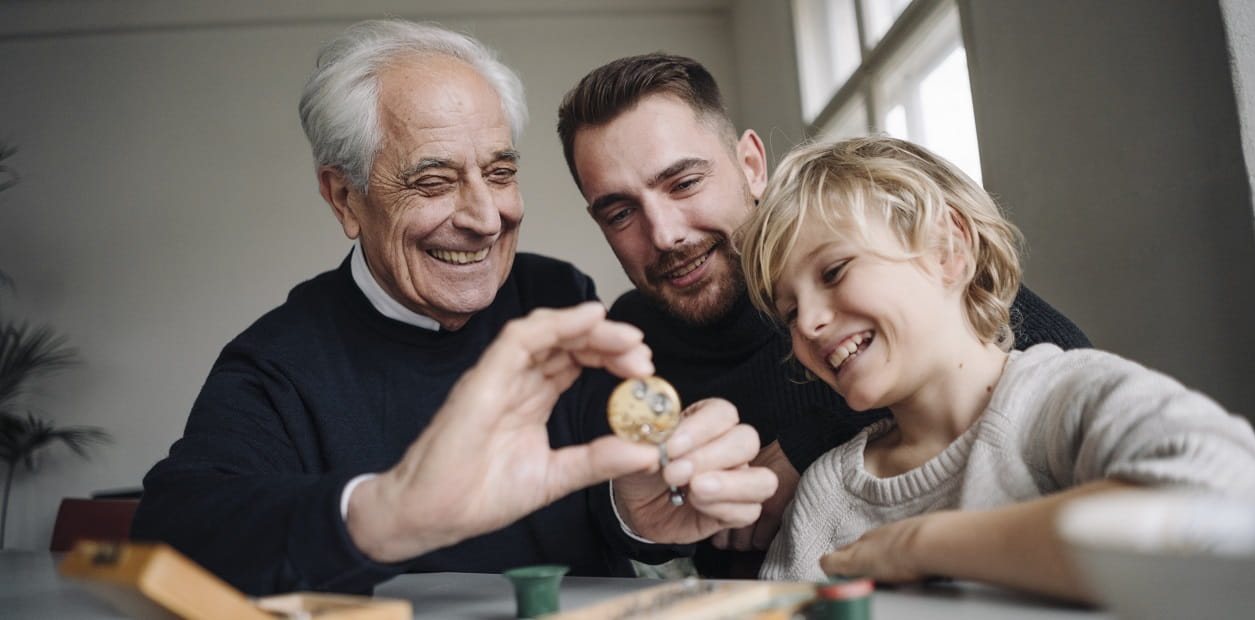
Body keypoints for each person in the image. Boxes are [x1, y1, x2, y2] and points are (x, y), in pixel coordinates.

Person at [130, 20, 777, 596]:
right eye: (434, 181)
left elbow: (608, 506)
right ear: (345, 199)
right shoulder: (278, 363)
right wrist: (388, 512)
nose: (485, 219)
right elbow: (169, 536)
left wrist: (637, 514)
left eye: (499, 173)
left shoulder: (558, 297)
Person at [556, 53, 1090, 575]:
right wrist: (638, 515)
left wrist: (806, 443)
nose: (664, 234)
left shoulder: (844, 250)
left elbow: (1042, 351)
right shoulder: (625, 344)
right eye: (620, 213)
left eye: (684, 183)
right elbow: (603, 517)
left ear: (751, 166)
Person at [735, 136, 1255, 600]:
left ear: (948, 248)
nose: (808, 323)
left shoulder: (1061, 401)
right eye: (789, 312)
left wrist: (918, 545)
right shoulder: (827, 494)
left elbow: (1236, 506)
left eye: (833, 271)